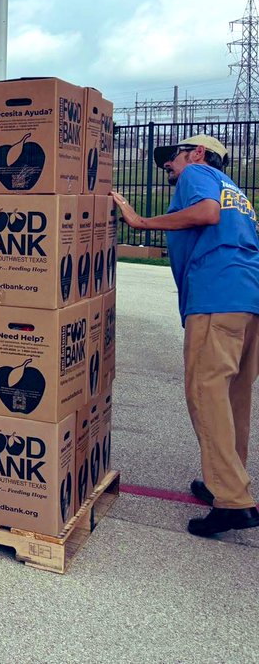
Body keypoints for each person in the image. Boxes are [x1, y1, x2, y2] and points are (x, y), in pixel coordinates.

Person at [112, 133, 259, 537]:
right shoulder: (234, 189)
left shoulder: (198, 173)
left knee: (205, 393)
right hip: (247, 297)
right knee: (233, 397)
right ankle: (223, 483)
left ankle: (232, 500)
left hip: (217, 294)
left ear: (197, 153)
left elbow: (207, 214)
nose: (168, 167)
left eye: (172, 158)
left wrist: (141, 222)